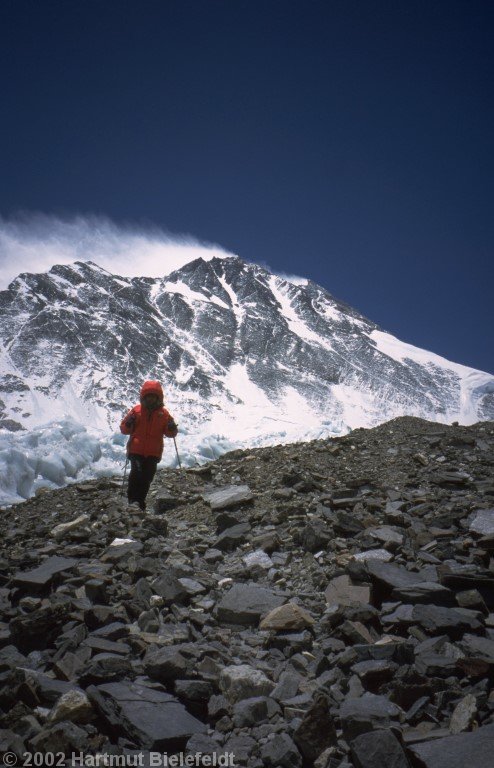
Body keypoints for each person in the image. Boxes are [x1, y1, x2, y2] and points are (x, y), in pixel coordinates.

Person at [120, 380, 178, 511]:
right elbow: (124, 429)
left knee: (147, 477)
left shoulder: (164, 414)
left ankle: (139, 501)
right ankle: (133, 500)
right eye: (148, 396)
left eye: (153, 396)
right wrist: (129, 423)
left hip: (153, 453)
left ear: (158, 397)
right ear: (144, 396)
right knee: (136, 474)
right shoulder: (136, 411)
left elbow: (171, 434)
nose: (151, 399)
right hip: (136, 450)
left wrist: (171, 427)